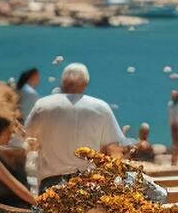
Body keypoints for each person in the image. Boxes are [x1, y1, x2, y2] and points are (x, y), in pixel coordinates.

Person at [25, 62, 124, 192]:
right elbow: (114, 149)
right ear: (85, 83)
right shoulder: (101, 108)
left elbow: (27, 138)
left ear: (63, 82)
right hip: (89, 184)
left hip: (51, 185)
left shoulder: (43, 106)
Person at [0, 116, 29, 204]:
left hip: (19, 202)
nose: (10, 135)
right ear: (0, 133)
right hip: (6, 204)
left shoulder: (6, 150)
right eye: (8, 132)